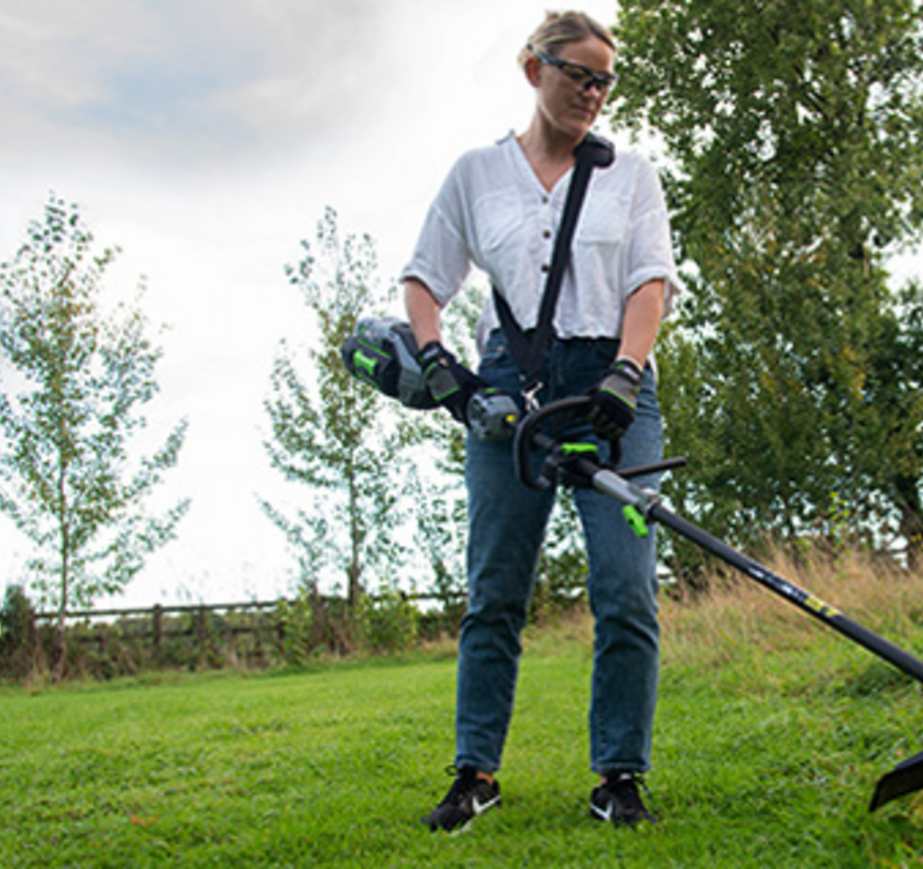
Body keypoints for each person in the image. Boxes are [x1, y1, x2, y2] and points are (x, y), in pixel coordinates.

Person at [397, 10, 679, 831]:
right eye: (577, 75)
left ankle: (619, 775)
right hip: (509, 394)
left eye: (604, 81)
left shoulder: (632, 177)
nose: (592, 93)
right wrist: (442, 365)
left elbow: (649, 284)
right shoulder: (476, 175)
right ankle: (474, 772)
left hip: (612, 389)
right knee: (495, 589)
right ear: (533, 69)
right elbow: (424, 280)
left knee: (625, 586)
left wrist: (627, 372)